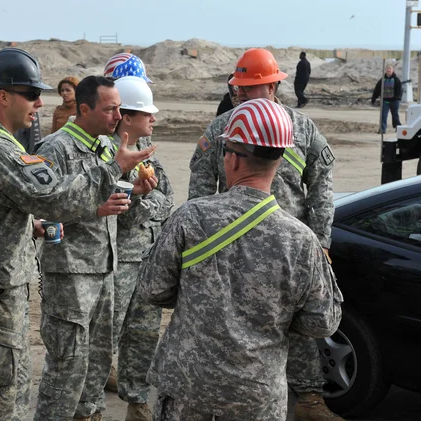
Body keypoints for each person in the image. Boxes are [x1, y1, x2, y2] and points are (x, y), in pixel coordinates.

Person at [0, 50, 154, 421]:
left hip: (8, 280)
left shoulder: (1, 143)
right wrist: (113, 169)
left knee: (14, 381)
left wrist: (34, 226)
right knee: (2, 388)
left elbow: (9, 209)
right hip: (1, 284)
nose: (41, 103)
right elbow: (50, 196)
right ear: (3, 97)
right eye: (31, 94)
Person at [141, 98, 343, 421]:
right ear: (278, 162)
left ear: (232, 160)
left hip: (188, 391)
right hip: (258, 398)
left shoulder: (191, 218)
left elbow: (152, 289)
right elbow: (324, 321)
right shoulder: (303, 240)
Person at [188, 48, 343, 421]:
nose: (241, 94)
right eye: (238, 87)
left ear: (274, 86)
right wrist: (200, 235)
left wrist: (321, 240)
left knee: (300, 323)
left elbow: (322, 185)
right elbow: (200, 182)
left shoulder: (302, 128)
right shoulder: (222, 127)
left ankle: (307, 399)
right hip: (233, 247)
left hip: (291, 248)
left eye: (250, 87)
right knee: (236, 325)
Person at [33, 75, 158, 421]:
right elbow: (42, 211)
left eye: (119, 108)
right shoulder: (55, 149)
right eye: (110, 109)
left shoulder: (105, 147)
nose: (118, 116)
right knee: (66, 366)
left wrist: (137, 192)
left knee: (98, 362)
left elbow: (110, 199)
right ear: (84, 109)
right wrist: (94, 208)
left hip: (104, 269)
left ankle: (90, 415)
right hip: (70, 273)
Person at [107, 76, 174, 421]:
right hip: (114, 261)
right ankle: (90, 402)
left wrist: (141, 199)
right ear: (127, 117)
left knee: (144, 333)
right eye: (147, 114)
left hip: (147, 257)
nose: (154, 119)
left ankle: (136, 400)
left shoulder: (146, 147)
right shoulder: (106, 153)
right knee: (107, 333)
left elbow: (168, 197)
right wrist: (141, 198)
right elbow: (114, 210)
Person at [372, 63, 403, 134]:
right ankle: (382, 129)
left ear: (393, 70)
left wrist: (397, 98)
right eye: (387, 68)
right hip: (385, 101)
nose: (388, 70)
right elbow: (377, 89)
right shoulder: (382, 80)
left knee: (395, 115)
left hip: (394, 101)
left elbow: (399, 90)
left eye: (390, 68)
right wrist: (374, 98)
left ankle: (398, 128)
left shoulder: (396, 80)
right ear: (385, 70)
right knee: (383, 115)